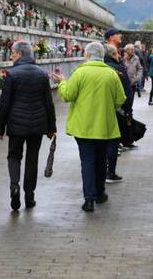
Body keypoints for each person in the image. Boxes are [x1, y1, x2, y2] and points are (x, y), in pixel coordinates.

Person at [54, 42, 126, 212]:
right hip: (105, 125)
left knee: (87, 160)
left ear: (87, 55)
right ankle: (100, 193)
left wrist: (63, 82)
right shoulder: (111, 74)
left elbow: (67, 95)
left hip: (83, 126)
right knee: (101, 160)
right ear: (102, 55)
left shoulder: (80, 73)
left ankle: (89, 199)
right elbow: (120, 99)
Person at [0, 41, 57, 211]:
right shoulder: (42, 74)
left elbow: (5, 104)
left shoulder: (12, 74)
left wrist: (0, 128)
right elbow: (48, 103)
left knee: (14, 156)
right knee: (32, 159)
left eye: (13, 53)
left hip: (16, 125)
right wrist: (52, 127)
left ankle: (14, 187)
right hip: (37, 125)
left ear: (21, 54)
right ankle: (29, 196)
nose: (11, 56)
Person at [104, 44, 133, 183]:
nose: (119, 56)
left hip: (96, 112)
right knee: (113, 142)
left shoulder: (85, 70)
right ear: (112, 55)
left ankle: (100, 170)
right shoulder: (119, 69)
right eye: (116, 54)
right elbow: (126, 93)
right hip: (116, 111)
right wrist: (127, 110)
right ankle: (110, 172)